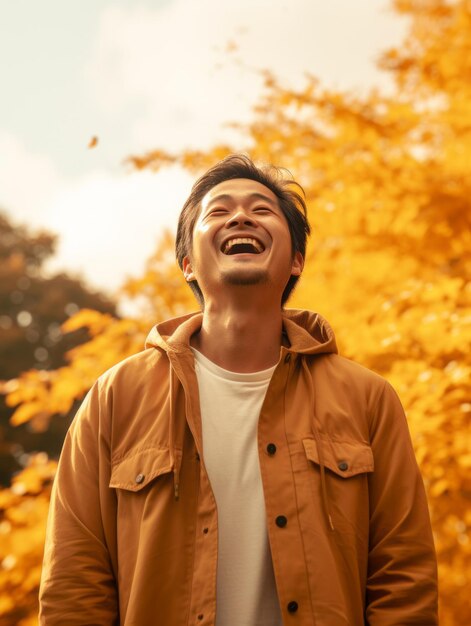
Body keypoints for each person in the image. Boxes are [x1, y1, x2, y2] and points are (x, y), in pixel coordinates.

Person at [38, 154, 438, 625]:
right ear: (187, 264)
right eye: (219, 210)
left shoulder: (368, 399)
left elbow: (403, 577)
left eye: (262, 209)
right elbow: (74, 581)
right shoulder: (115, 397)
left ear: (296, 261)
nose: (241, 216)